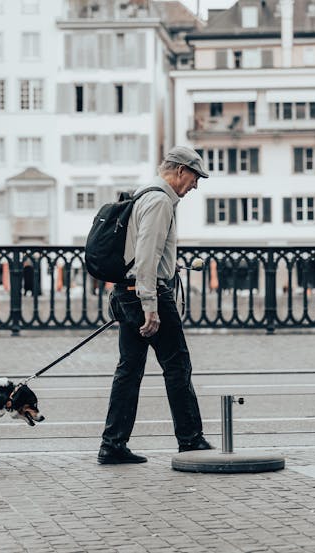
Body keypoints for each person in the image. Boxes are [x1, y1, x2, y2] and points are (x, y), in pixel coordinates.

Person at [98, 145, 214, 465]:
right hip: (146, 295)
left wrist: (166, 267)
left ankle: (113, 444)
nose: (195, 185)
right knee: (177, 366)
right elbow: (146, 254)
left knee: (129, 371)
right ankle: (190, 440)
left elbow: (142, 251)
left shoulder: (142, 194)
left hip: (126, 290)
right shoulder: (161, 200)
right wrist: (150, 304)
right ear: (179, 171)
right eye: (194, 178)